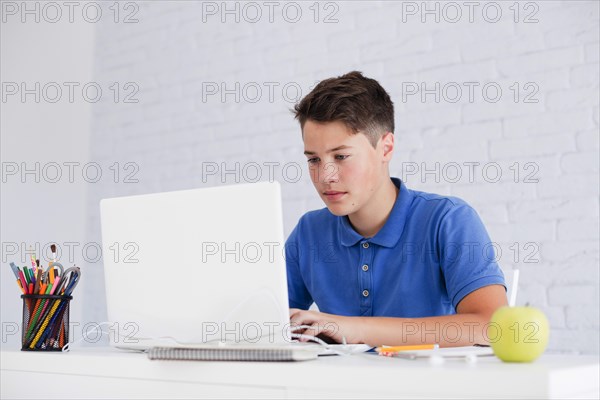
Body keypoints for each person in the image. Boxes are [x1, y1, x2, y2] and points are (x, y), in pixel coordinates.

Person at [286, 71, 507, 347]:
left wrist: (354, 329)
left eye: (341, 156)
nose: (325, 175)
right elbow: (265, 323)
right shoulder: (309, 232)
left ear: (386, 148)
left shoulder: (447, 219)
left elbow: (492, 326)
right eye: (314, 160)